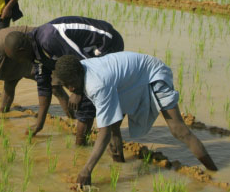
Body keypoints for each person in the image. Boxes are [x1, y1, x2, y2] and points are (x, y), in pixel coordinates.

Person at [54, 52, 218, 187]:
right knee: (113, 125)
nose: (70, 89)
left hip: (153, 73)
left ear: (78, 74)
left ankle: (214, 173)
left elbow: (103, 135)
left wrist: (87, 169)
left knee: (178, 130)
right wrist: (77, 91)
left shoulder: (97, 85)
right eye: (66, 85)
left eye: (71, 84)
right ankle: (119, 165)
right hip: (132, 78)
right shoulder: (81, 69)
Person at [4, 16, 124, 143]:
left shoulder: (48, 38)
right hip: (87, 54)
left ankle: (87, 142)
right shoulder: (35, 53)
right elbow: (43, 87)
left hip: (106, 43)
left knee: (87, 93)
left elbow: (82, 63)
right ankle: (90, 135)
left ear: (22, 51)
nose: (20, 62)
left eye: (18, 59)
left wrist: (77, 92)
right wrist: (39, 124)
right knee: (82, 88)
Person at [0, 26, 72, 119]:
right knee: (8, 88)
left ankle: (74, 119)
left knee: (54, 86)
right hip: (15, 59)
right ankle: (5, 115)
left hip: (34, 46)